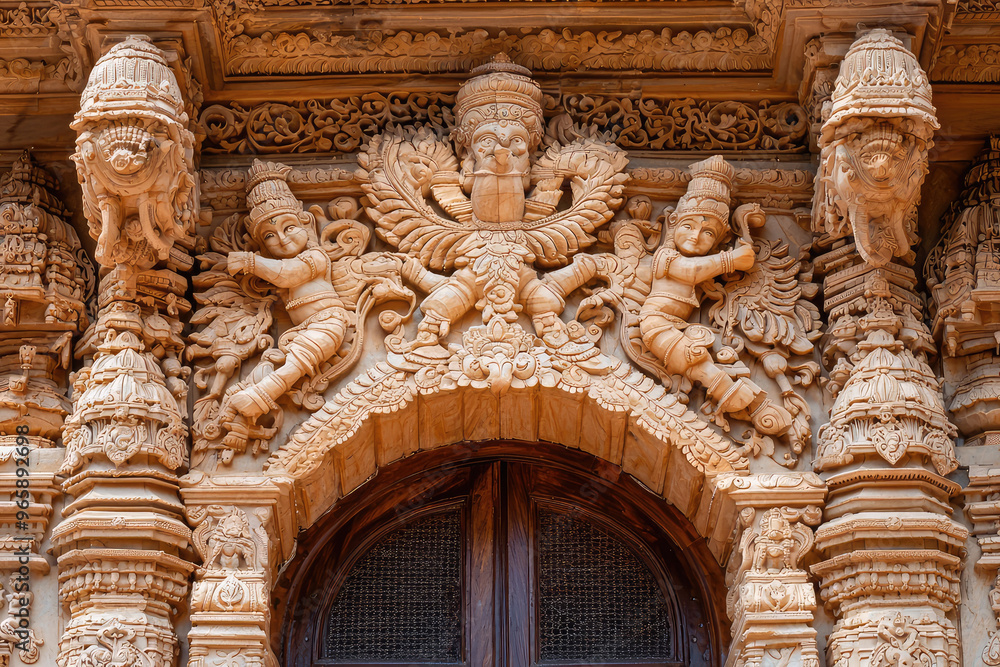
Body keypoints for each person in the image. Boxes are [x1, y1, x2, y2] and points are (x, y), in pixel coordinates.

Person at [639, 155, 791, 435]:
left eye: (707, 232)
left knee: (701, 359)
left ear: (720, 239)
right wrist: (730, 260)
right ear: (672, 222)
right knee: (695, 361)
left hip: (678, 326)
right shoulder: (666, 256)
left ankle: (744, 399)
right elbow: (691, 271)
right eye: (687, 226)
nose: (695, 237)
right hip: (656, 324)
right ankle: (736, 396)